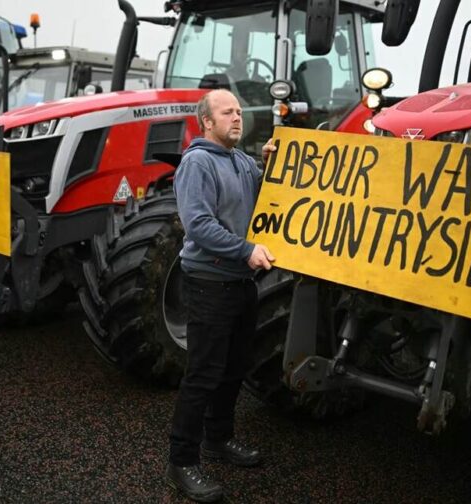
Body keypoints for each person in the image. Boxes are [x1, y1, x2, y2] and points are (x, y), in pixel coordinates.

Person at [165, 88, 276, 503]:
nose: (237, 117)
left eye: (239, 111)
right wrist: (246, 250)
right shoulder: (197, 163)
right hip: (209, 283)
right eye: (227, 112)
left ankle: (219, 438)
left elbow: (265, 196)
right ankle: (182, 462)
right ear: (206, 122)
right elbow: (198, 225)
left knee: (234, 367)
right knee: (203, 374)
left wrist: (270, 165)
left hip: (241, 284)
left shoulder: (242, 162)